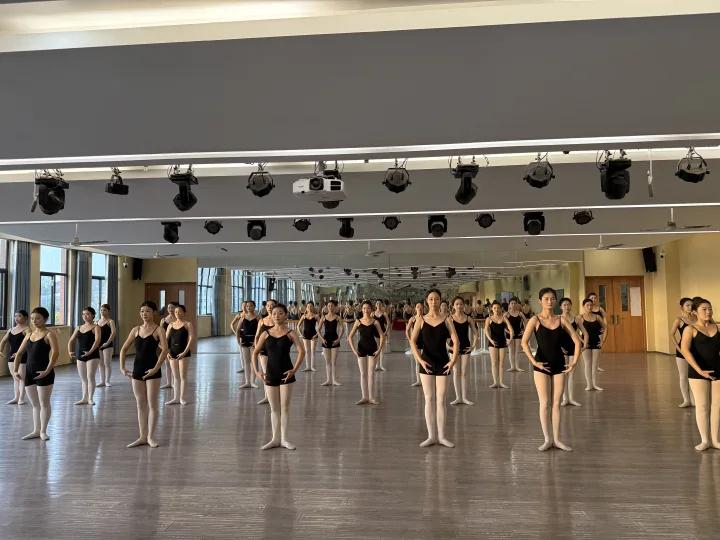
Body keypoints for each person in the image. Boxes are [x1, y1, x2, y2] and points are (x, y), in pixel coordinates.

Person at [521, 288, 581, 452]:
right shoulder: (535, 320)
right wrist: (534, 361)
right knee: (544, 403)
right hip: (541, 365)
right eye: (546, 298)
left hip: (559, 364)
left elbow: (577, 341)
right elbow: (524, 343)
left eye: (552, 298)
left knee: (556, 404)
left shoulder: (562, 320)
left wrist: (574, 362)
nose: (549, 301)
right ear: (540, 301)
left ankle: (557, 439)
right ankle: (547, 439)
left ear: (555, 301)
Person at [410, 289, 459, 448]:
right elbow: (412, 341)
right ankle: (431, 436)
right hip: (427, 362)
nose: (433, 302)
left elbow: (456, 340)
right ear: (427, 301)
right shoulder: (421, 320)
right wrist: (420, 360)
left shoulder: (447, 319)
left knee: (441, 400)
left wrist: (453, 360)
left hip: (443, 362)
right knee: (429, 399)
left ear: (440, 301)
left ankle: (442, 436)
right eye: (431, 299)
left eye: (436, 299)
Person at [252, 304, 306, 450]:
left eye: (280, 313)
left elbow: (302, 351)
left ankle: (284, 439)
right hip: (270, 373)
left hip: (286, 373)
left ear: (285, 314)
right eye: (274, 313)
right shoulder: (265, 333)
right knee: (274, 409)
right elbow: (255, 352)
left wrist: (294, 370)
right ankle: (275, 439)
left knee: (284, 408)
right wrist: (257, 371)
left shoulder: (291, 333)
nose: (277, 316)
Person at [119, 301, 168, 448]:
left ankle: (151, 437)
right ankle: (142, 436)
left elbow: (165, 351)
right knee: (140, 404)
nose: (144, 314)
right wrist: (122, 367)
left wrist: (156, 368)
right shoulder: (136, 330)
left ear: (153, 312)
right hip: (137, 370)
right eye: (142, 311)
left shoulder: (159, 330)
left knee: (152, 404)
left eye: (147, 311)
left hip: (153, 370)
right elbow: (123, 349)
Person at [679, 297, 720, 451]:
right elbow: (685, 350)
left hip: (718, 370)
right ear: (695, 312)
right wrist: (699, 370)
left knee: (717, 406)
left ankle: (715, 440)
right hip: (698, 372)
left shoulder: (718, 327)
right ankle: (705, 440)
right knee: (702, 406)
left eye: (710, 309)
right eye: (704, 309)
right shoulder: (690, 329)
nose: (708, 312)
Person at [11, 307, 58, 440]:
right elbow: (19, 353)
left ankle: (43, 431)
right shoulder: (29, 335)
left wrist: (47, 370)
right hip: (29, 373)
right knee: (35, 404)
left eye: (38, 318)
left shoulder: (49, 334)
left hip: (44, 372)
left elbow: (55, 353)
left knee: (44, 403)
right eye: (32, 319)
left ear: (45, 319)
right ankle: (36, 430)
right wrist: (15, 370)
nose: (34, 321)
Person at [348, 301, 386, 405]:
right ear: (361, 309)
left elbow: (382, 336)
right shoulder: (358, 321)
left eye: (368, 308)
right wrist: (354, 350)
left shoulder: (375, 322)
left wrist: (379, 350)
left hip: (373, 348)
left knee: (371, 374)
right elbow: (350, 336)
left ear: (371, 309)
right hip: (361, 348)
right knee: (363, 374)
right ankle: (364, 397)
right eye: (364, 308)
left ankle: (371, 397)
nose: (366, 310)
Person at [68, 306, 102, 405]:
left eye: (87, 314)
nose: (85, 316)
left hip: (93, 355)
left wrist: (90, 352)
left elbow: (97, 341)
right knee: (83, 378)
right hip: (80, 356)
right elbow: (71, 341)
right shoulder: (78, 327)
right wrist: (70, 351)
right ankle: (84, 398)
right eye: (83, 314)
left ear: (93, 315)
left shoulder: (96, 327)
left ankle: (90, 398)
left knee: (90, 376)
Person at [165, 304, 194, 405]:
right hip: (172, 353)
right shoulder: (170, 325)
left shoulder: (188, 324)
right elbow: (166, 340)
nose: (177, 313)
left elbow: (191, 339)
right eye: (176, 312)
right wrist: (167, 352)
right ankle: (175, 398)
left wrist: (185, 352)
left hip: (183, 353)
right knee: (175, 376)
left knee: (183, 376)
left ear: (184, 313)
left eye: (180, 311)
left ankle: (182, 398)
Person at [450, 296, 476, 406]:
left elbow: (475, 333)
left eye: (461, 304)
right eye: (457, 304)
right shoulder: (450, 318)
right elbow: (444, 335)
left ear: (463, 305)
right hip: (453, 348)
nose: (459, 306)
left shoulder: (468, 318)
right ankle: (458, 397)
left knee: (464, 372)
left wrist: (473, 346)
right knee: (456, 371)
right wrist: (448, 347)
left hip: (465, 347)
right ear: (453, 306)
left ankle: (464, 397)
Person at [670, 297, 696, 408]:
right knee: (683, 376)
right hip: (682, 351)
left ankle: (694, 399)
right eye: (687, 305)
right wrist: (679, 348)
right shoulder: (679, 320)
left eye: (691, 305)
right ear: (682, 307)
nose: (690, 307)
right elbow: (672, 334)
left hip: (696, 350)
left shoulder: (696, 318)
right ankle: (686, 400)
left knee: (694, 376)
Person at [577, 298, 607, 392]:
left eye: (591, 305)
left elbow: (605, 327)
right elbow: (575, 331)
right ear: (583, 306)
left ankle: (594, 384)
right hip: (585, 343)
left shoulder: (597, 317)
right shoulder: (580, 317)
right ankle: (589, 385)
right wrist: (582, 340)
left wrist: (602, 341)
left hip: (596, 342)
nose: (589, 307)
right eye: (587, 305)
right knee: (587, 364)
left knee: (594, 364)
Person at [0, 310, 29, 405]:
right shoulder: (11, 330)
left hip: (23, 356)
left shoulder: (27, 330)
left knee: (21, 378)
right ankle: (16, 398)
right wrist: (0, 350)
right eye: (15, 316)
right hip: (11, 356)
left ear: (25, 318)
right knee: (15, 378)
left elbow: (29, 344)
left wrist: (19, 353)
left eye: (19, 316)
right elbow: (3, 341)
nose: (16, 318)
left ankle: (21, 398)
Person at [485, 301, 513, 389]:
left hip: (502, 342)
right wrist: (490, 340)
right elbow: (486, 331)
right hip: (492, 343)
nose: (496, 309)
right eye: (494, 308)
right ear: (492, 309)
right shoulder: (489, 319)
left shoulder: (504, 318)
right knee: (494, 363)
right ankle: (495, 382)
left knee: (501, 363)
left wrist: (510, 340)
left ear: (500, 309)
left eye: (498, 308)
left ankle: (501, 382)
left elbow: (511, 329)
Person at [559, 298, 581, 407]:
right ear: (560, 307)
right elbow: (555, 335)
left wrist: (583, 344)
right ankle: (565, 398)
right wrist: (559, 347)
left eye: (568, 304)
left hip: (573, 347)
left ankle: (571, 399)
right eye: (564, 305)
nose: (567, 307)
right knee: (564, 373)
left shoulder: (576, 318)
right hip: (562, 348)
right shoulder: (558, 319)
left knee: (571, 374)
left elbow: (583, 332)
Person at [254, 299, 277, 405]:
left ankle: (275, 395)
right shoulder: (262, 321)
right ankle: (267, 396)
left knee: (275, 372)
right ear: (266, 307)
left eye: (272, 305)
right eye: (268, 305)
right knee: (266, 373)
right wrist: (257, 348)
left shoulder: (278, 320)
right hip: (264, 349)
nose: (270, 307)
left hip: (275, 349)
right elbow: (257, 336)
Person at [318, 300, 344, 386]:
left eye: (332, 306)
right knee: (327, 362)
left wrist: (338, 339)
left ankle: (334, 380)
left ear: (335, 307)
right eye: (329, 306)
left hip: (334, 340)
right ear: (327, 307)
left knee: (333, 362)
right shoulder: (323, 317)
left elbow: (342, 329)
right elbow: (318, 329)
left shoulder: (337, 317)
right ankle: (328, 380)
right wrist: (322, 339)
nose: (330, 307)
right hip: (326, 340)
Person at [237, 300, 259, 389]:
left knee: (254, 361)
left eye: (251, 306)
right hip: (244, 340)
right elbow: (238, 330)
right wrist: (238, 341)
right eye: (247, 306)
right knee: (246, 362)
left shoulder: (258, 318)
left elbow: (260, 331)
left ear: (254, 307)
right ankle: (247, 382)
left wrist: (257, 342)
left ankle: (253, 382)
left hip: (254, 341)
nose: (249, 307)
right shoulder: (242, 318)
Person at [504, 297, 527, 372]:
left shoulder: (520, 313)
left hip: (518, 333)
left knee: (517, 351)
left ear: (517, 304)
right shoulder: (506, 314)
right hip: (509, 334)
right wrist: (507, 331)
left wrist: (524, 331)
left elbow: (526, 322)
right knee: (511, 350)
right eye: (512, 303)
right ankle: (512, 366)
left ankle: (517, 366)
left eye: (515, 303)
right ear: (509, 304)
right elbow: (502, 325)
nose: (513, 305)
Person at [97, 304, 117, 387]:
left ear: (108, 311)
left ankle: (107, 381)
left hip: (107, 344)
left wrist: (107, 343)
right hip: (98, 345)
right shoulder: (97, 322)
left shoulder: (110, 321)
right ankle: (102, 381)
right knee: (100, 363)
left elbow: (113, 333)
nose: (102, 311)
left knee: (107, 363)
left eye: (104, 310)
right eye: (101, 310)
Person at [405, 302, 425, 387]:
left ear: (423, 308)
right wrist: (410, 340)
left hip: (425, 342)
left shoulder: (426, 318)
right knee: (417, 362)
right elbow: (407, 330)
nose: (419, 308)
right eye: (417, 306)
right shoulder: (412, 318)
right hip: (416, 342)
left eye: (421, 306)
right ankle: (418, 380)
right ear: (415, 308)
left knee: (425, 361)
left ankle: (425, 380)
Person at [159, 302, 177, 389]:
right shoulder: (163, 320)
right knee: (167, 363)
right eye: (169, 307)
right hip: (166, 343)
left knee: (174, 364)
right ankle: (169, 383)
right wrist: (161, 343)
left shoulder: (178, 319)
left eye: (172, 307)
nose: (170, 309)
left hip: (175, 343)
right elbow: (160, 332)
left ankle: (174, 382)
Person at [298, 303, 319, 372]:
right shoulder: (304, 316)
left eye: (311, 306)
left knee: (313, 351)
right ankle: (307, 367)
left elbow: (320, 326)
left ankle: (312, 367)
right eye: (308, 306)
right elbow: (298, 326)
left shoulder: (316, 316)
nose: (309, 308)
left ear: (313, 307)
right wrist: (301, 334)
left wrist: (316, 334)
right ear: (306, 308)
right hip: (305, 335)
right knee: (307, 351)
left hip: (314, 334)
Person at [373, 301, 391, 371]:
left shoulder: (384, 313)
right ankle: (377, 365)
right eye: (377, 303)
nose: (378, 305)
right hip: (375, 333)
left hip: (382, 333)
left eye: (380, 304)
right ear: (375, 305)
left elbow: (388, 323)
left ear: (382, 305)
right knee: (376, 349)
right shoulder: (373, 313)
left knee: (382, 349)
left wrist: (386, 332)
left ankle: (381, 365)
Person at [230, 301, 246, 373]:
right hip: (242, 335)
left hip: (250, 335)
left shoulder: (252, 315)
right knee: (242, 352)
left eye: (246, 305)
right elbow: (232, 324)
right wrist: (236, 333)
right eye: (243, 306)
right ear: (241, 307)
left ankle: (252, 367)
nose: (244, 307)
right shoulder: (239, 315)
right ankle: (243, 367)